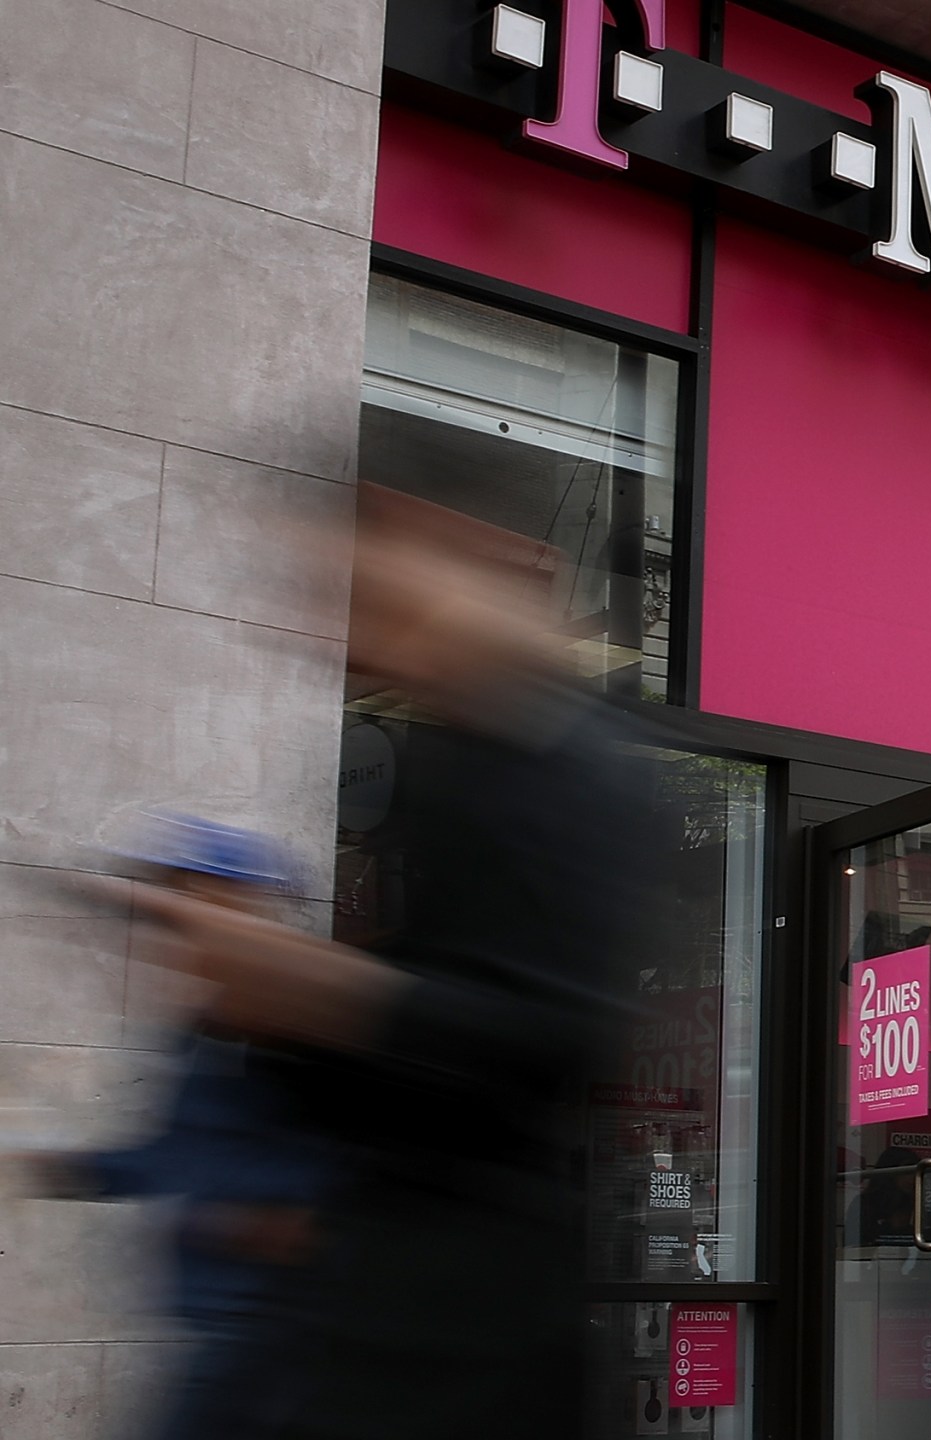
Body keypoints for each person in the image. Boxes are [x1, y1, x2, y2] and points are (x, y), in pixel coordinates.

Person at [107, 484, 657, 1440]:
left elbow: (557, 1032)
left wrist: (320, 994)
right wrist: (277, 1020)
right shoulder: (456, 762)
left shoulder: (569, 763)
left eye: (368, 599)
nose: (356, 639)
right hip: (379, 1306)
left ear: (449, 559)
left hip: (462, 1327)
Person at [13, 814, 332, 1440]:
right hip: (224, 1324)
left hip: (274, 1327)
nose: (174, 927)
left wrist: (288, 1219)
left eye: (191, 895)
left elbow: (355, 1170)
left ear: (245, 904)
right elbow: (176, 1155)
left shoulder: (300, 1023)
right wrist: (52, 1165)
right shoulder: (207, 1030)